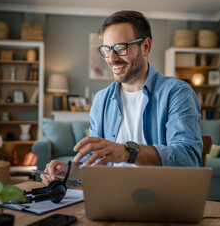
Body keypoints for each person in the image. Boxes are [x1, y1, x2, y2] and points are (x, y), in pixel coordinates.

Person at [41, 10, 202, 184]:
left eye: (120, 48)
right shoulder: (101, 100)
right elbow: (96, 165)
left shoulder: (177, 93)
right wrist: (70, 172)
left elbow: (189, 160)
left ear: (145, 47)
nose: (111, 58)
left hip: (160, 200)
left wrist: (128, 153)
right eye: (107, 49)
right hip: (110, 198)